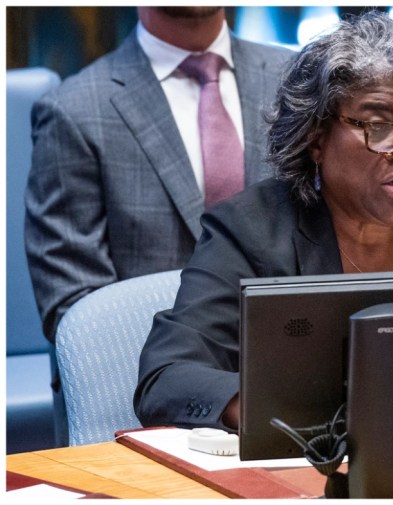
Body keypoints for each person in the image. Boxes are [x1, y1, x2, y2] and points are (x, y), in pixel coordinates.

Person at [134, 11, 393, 430]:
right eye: (380, 127)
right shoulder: (249, 230)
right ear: (315, 137)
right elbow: (167, 380)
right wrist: (302, 419)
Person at [25, 7, 292, 343]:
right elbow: (77, 313)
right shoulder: (73, 112)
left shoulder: (297, 82)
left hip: (290, 362)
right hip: (139, 377)